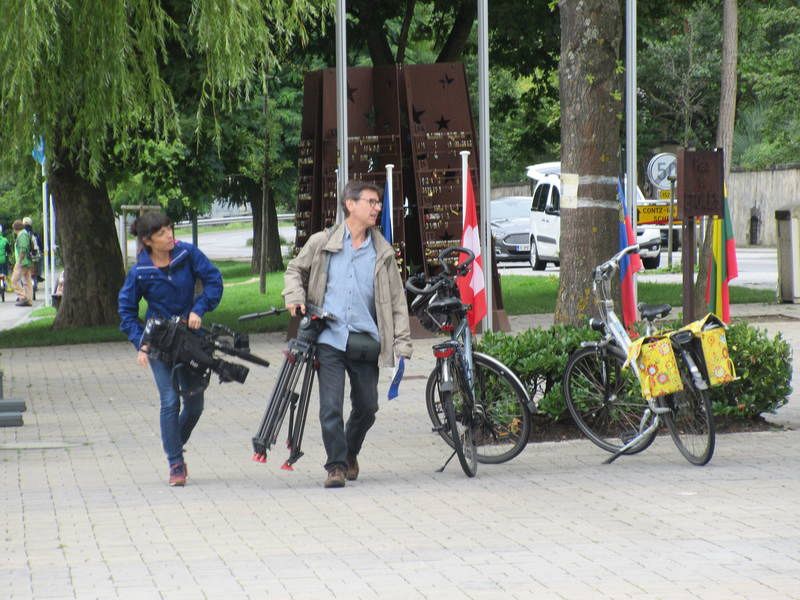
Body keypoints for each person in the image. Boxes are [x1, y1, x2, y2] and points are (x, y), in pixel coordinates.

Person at [283, 181, 413, 488]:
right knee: (330, 407)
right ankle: (336, 466)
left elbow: (397, 300)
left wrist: (402, 343)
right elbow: (294, 270)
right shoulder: (323, 242)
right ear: (350, 205)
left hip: (366, 340)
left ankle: (350, 452)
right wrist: (294, 297)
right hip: (329, 337)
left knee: (367, 407)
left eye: (378, 203)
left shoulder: (382, 251)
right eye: (371, 201)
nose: (377, 207)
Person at [118, 211, 223, 487]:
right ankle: (175, 463)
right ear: (147, 240)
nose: (170, 236)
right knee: (169, 400)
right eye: (162, 233)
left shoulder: (187, 254)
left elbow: (214, 281)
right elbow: (126, 312)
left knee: (195, 403)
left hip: (190, 339)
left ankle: (173, 442)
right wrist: (141, 342)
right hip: (160, 343)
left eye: (170, 229)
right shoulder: (140, 272)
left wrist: (199, 308)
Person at [10, 220, 33, 307]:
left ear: (15, 229)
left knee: (14, 280)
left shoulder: (22, 235)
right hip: (27, 261)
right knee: (27, 281)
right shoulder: (25, 233)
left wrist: (19, 261)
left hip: (22, 262)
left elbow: (23, 248)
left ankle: (23, 297)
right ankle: (29, 300)